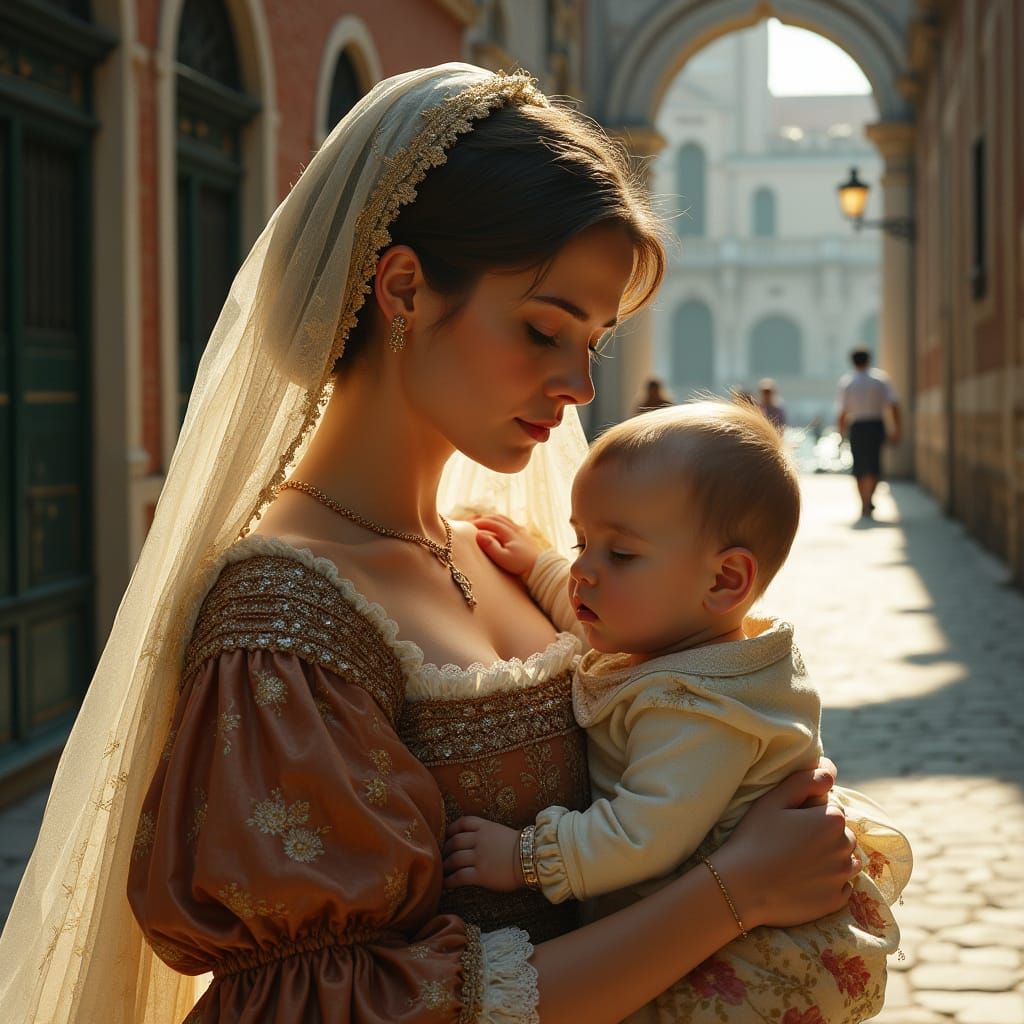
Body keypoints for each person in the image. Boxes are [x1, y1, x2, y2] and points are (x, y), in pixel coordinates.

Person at [0, 66, 861, 1024]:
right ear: (403, 288)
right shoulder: (282, 630)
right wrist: (736, 892)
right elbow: (332, 1005)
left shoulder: (502, 552)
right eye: (544, 329)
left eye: (596, 340)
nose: (580, 384)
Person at [448, 401, 912, 1023]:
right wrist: (538, 563)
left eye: (620, 553)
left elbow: (641, 836)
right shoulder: (678, 633)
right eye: (581, 540)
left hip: (736, 959)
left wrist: (524, 857)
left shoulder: (699, 710)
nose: (583, 569)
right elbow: (591, 619)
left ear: (725, 581)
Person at [837, 349, 901, 519]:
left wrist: (841, 431)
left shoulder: (848, 382)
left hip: (857, 425)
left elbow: (843, 411)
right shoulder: (880, 380)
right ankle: (869, 499)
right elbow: (894, 404)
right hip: (875, 425)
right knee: (874, 463)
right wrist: (897, 429)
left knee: (859, 465)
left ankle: (863, 502)